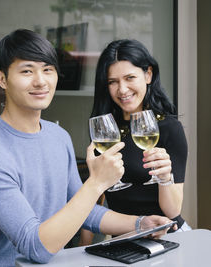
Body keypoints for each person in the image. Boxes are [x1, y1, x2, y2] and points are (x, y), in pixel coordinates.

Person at [0, 29, 175, 266]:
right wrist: (96, 184)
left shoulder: (58, 136)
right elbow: (35, 247)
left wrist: (140, 224)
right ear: (2, 79)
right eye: (26, 71)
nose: (40, 81)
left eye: (47, 70)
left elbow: (84, 210)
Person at [82, 39, 191, 245]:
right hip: (123, 241)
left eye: (130, 77)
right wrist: (83, 247)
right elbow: (97, 197)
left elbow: (174, 211)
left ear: (148, 75)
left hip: (167, 239)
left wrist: (165, 177)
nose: (122, 89)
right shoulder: (105, 132)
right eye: (113, 81)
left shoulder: (168, 129)